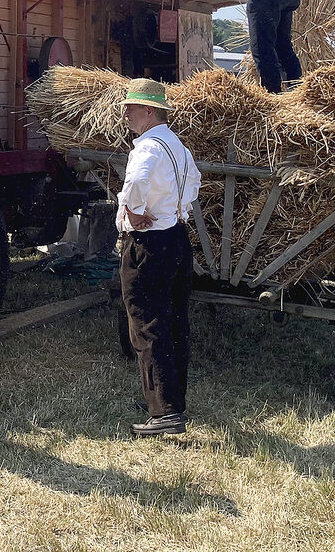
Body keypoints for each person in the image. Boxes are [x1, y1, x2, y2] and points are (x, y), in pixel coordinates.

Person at [116, 78, 202, 437]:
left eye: (130, 108)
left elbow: (136, 182)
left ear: (149, 111)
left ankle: (165, 413)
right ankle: (168, 401)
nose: (125, 114)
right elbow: (195, 182)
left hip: (149, 242)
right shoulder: (176, 145)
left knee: (147, 323)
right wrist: (175, 209)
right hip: (176, 237)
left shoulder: (148, 148)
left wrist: (134, 212)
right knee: (174, 321)